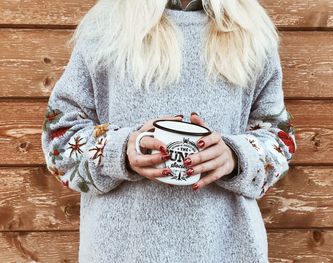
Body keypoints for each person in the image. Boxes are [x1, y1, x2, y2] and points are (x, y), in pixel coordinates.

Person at [41, 0, 297, 262]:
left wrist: (236, 156)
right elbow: (59, 138)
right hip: (122, 252)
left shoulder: (251, 30)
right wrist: (120, 150)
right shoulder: (105, 27)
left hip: (226, 250)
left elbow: (279, 138)